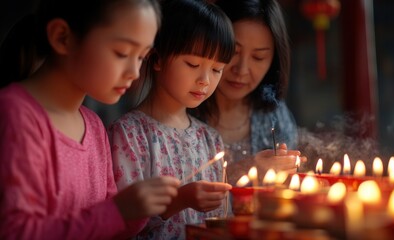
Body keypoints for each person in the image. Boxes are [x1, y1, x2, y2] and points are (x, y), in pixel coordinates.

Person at [0, 0, 181, 239]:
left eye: (141, 57)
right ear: (62, 37)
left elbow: (108, 229)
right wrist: (118, 210)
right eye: (122, 53)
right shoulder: (15, 113)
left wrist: (139, 208)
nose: (135, 73)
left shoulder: (94, 126)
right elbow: (16, 232)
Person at [108, 0, 234, 238]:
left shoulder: (210, 139)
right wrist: (179, 200)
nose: (205, 80)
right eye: (193, 64)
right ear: (157, 59)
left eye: (217, 69)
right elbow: (120, 224)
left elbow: (226, 216)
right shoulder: (128, 134)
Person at [191, 0, 301, 184]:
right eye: (233, 51)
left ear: (273, 61)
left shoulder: (274, 115)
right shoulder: (182, 112)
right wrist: (247, 169)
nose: (241, 70)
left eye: (258, 57)